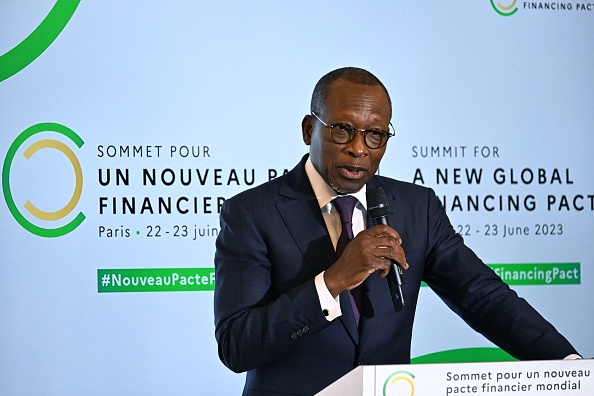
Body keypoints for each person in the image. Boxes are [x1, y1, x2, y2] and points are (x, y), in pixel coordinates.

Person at [213, 67, 580, 396]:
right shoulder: (250, 213)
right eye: (343, 130)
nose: (359, 148)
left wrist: (569, 368)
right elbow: (237, 345)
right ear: (310, 129)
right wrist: (333, 280)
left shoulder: (416, 207)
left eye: (375, 134)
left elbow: (482, 296)